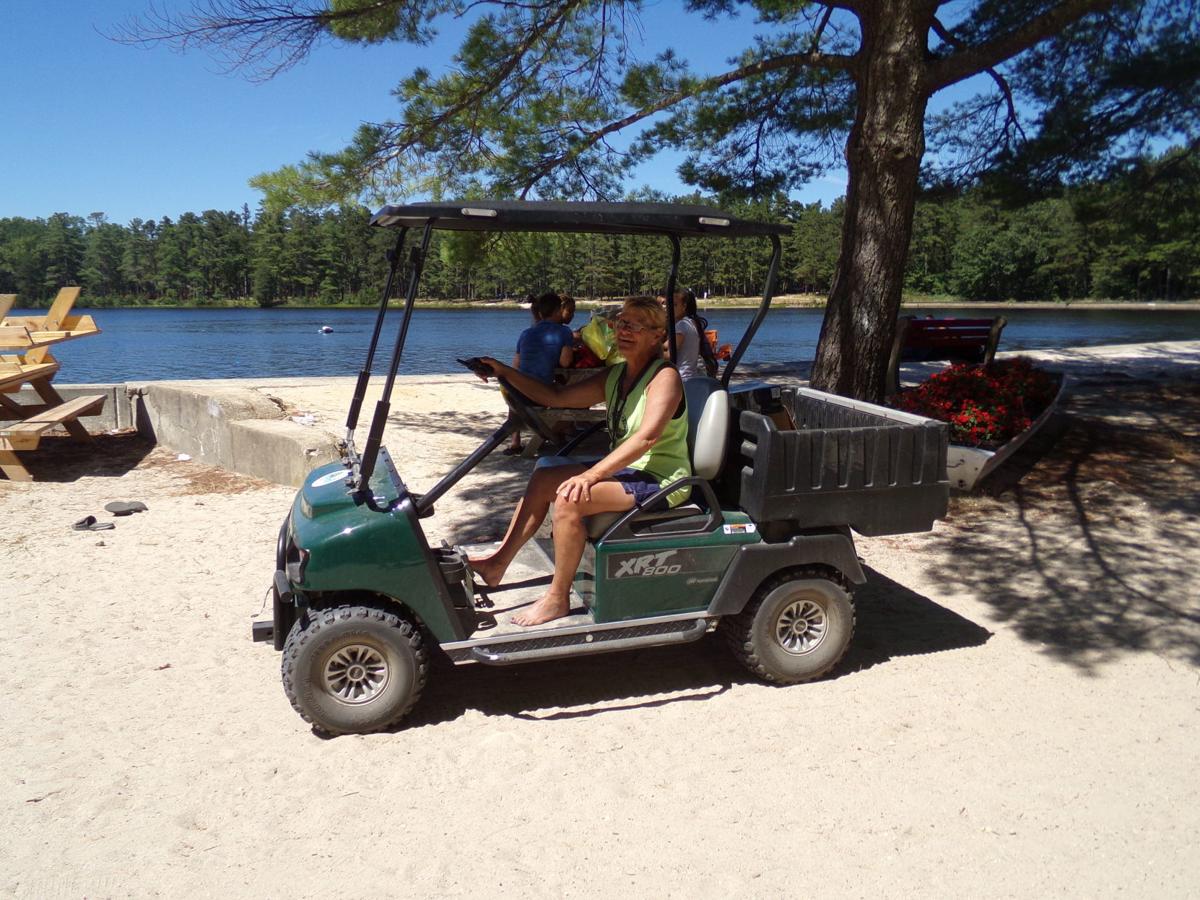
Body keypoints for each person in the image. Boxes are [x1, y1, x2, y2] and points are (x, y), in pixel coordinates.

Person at [470, 296, 691, 626]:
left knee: (569, 499)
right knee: (544, 477)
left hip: (660, 478)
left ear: (658, 335)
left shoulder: (664, 378)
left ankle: (557, 599)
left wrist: (591, 476)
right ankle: (496, 565)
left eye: (634, 325)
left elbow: (646, 438)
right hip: (628, 472)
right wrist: (505, 372)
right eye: (619, 324)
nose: (622, 331)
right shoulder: (616, 375)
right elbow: (554, 397)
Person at [504, 291, 574, 454]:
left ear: (540, 313)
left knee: (515, 391)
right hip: (541, 393)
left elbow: (516, 364)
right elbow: (565, 362)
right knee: (576, 394)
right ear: (558, 311)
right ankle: (559, 433)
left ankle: (515, 442)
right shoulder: (564, 332)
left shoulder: (526, 333)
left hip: (517, 393)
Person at [663, 288, 719, 380]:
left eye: (674, 305)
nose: (669, 307)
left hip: (680, 379)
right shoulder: (691, 323)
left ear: (684, 306)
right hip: (690, 377)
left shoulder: (682, 325)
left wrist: (648, 354)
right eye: (669, 304)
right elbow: (666, 345)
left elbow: (670, 355)